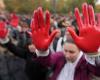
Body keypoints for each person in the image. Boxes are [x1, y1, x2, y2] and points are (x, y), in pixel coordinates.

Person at [1, 3, 100, 80]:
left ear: (80, 51)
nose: (67, 55)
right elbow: (47, 61)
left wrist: (92, 54)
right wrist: (42, 51)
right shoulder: (60, 56)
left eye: (71, 52)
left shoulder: (85, 62)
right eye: (65, 51)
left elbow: (97, 71)